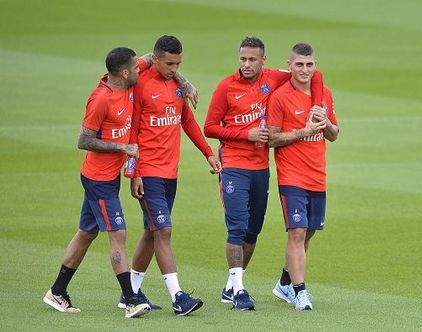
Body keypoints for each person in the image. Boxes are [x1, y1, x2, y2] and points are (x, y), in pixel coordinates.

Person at [204, 36, 323, 311]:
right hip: (233, 164)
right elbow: (210, 127)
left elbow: (315, 75)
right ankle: (239, 289)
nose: (246, 64)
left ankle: (230, 287)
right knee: (237, 226)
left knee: (252, 231)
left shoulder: (274, 78)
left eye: (252, 60)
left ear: (263, 61)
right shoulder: (226, 87)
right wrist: (246, 134)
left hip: (260, 166)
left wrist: (316, 106)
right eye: (243, 59)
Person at [43, 47, 153, 318]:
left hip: (108, 176)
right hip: (98, 179)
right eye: (136, 69)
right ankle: (130, 300)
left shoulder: (126, 77)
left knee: (86, 233)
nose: (141, 71)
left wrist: (184, 83)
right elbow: (84, 140)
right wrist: (122, 147)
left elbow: (153, 57)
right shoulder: (101, 99)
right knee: (118, 235)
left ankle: (57, 292)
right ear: (124, 73)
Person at [119, 35, 222, 316]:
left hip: (169, 172)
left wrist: (208, 153)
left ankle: (130, 292)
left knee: (153, 232)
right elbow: (131, 130)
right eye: (169, 63)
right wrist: (134, 173)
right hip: (148, 172)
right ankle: (178, 297)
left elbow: (186, 121)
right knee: (163, 230)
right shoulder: (139, 85)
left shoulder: (177, 85)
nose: (174, 68)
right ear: (155, 58)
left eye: (178, 63)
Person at [267, 43, 339, 311]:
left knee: (308, 233)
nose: (305, 70)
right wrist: (303, 129)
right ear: (289, 65)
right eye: (299, 64)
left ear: (315, 65)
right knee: (296, 232)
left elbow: (333, 134)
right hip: (291, 176)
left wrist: (326, 123)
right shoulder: (280, 97)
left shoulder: (325, 95)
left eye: (309, 65)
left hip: (317, 175)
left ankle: (285, 282)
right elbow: (271, 139)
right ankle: (300, 292)